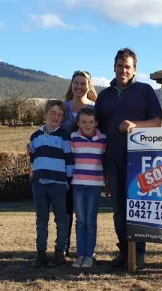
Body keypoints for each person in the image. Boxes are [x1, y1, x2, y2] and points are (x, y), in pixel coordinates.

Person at [95, 48, 162, 269]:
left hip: (140, 162)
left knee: (138, 207)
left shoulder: (145, 91)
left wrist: (136, 125)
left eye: (128, 67)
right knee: (118, 210)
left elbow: (157, 122)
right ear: (113, 67)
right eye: (119, 66)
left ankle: (139, 253)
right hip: (113, 160)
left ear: (134, 69)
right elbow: (97, 129)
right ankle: (124, 252)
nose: (123, 70)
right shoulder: (104, 95)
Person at [28, 99, 74, 268]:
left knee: (61, 220)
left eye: (60, 115)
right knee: (41, 219)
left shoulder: (64, 136)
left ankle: (59, 253)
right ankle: (40, 253)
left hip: (59, 184)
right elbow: (33, 157)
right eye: (52, 113)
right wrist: (35, 175)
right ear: (45, 114)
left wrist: (68, 181)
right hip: (39, 184)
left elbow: (69, 160)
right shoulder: (35, 136)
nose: (56, 117)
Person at [61, 70, 98, 257]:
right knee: (66, 209)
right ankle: (64, 246)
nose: (79, 86)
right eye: (76, 83)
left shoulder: (95, 108)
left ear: (89, 86)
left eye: (83, 83)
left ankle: (88, 251)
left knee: (87, 216)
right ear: (71, 85)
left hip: (88, 169)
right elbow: (50, 127)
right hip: (65, 166)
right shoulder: (63, 107)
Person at [69, 108, 106, 268]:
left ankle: (89, 255)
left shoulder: (103, 139)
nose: (87, 125)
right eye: (83, 122)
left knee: (91, 221)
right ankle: (80, 255)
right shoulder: (73, 138)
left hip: (95, 186)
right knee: (80, 221)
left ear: (96, 123)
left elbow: (105, 162)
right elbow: (69, 160)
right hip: (78, 184)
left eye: (91, 122)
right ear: (78, 123)